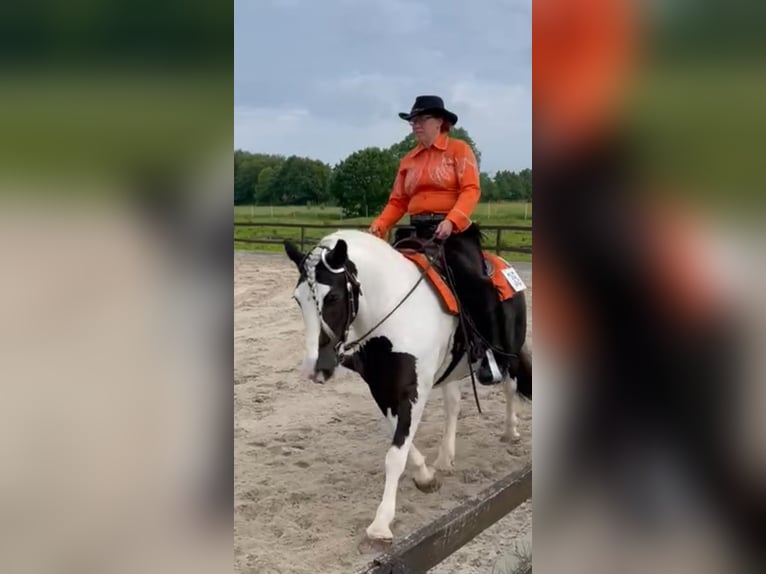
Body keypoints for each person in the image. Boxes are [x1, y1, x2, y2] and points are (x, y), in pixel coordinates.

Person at [368, 95, 503, 384]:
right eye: (412, 121)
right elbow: (398, 201)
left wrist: (451, 219)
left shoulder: (459, 150)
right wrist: (380, 224)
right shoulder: (409, 159)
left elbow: (470, 190)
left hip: (452, 231)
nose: (415, 125)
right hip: (415, 231)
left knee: (474, 278)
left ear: (440, 122)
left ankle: (487, 349)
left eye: (420, 120)